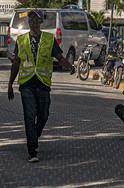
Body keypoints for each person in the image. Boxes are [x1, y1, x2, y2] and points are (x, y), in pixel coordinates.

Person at [8, 9, 75, 163]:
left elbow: (60, 58)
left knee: (43, 116)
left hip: (43, 83)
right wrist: (10, 84)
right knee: (29, 117)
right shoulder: (21, 39)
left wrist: (69, 65)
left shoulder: (49, 39)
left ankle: (33, 137)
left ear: (41, 21)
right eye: (30, 18)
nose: (32, 20)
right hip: (27, 84)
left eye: (36, 18)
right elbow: (16, 62)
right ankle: (32, 151)